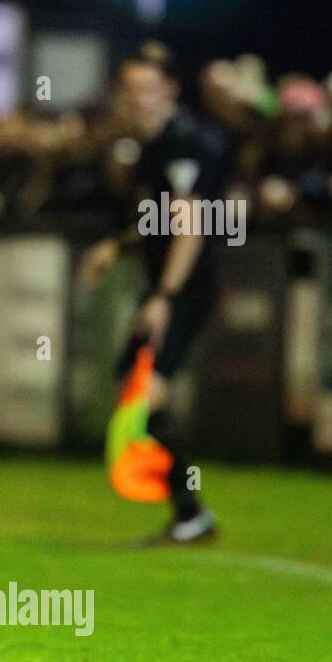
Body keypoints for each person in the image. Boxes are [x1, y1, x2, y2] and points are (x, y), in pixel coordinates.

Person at [80, 50, 224, 545]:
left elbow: (190, 226)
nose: (137, 98)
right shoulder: (151, 147)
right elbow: (153, 223)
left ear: (170, 90)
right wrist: (115, 246)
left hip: (184, 287)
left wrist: (165, 295)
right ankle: (188, 509)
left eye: (147, 87)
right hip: (165, 285)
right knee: (130, 382)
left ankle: (190, 510)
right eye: (130, 88)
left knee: (147, 390)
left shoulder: (185, 142)